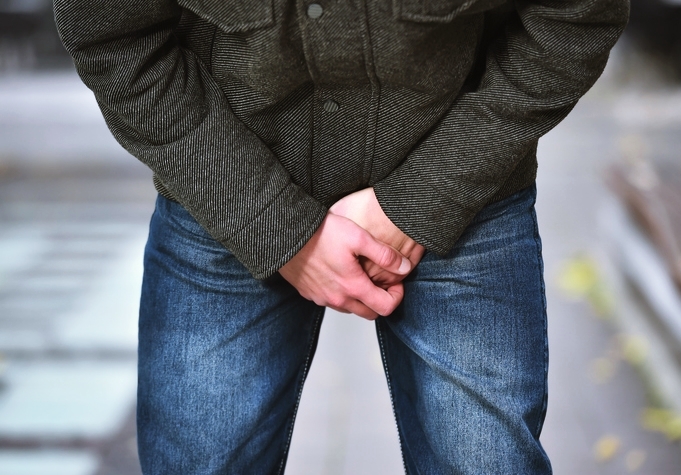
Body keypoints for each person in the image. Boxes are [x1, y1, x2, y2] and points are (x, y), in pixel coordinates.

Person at [55, 0, 629, 473]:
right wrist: (271, 224)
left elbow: (580, 16)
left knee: (488, 462)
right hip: (222, 174)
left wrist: (426, 197)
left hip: (462, 168)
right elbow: (111, 35)